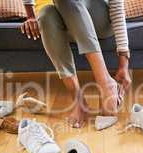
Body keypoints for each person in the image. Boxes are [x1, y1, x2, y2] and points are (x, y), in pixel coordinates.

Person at [21, 0, 131, 128]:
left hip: (100, 20)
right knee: (46, 14)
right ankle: (78, 100)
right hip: (68, 20)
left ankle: (106, 84)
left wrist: (124, 64)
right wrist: (30, 15)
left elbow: (117, 6)